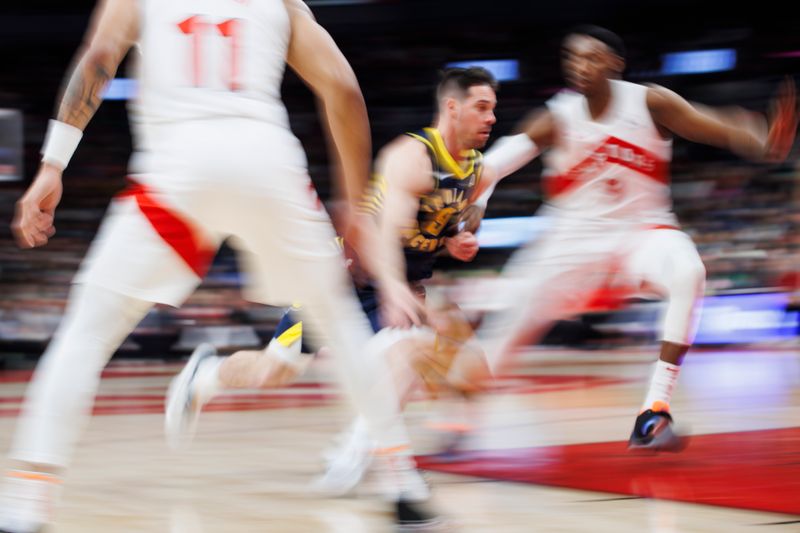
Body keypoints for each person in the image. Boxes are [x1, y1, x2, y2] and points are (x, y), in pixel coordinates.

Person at [0, 1, 436, 531]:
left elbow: (98, 61)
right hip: (268, 167)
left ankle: (28, 504)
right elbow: (343, 90)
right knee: (340, 324)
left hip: (178, 170)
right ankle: (402, 482)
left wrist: (52, 166)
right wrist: (351, 204)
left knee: (87, 331)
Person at [447, 25, 798, 451]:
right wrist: (479, 203)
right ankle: (457, 419)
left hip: (640, 232)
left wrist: (762, 139)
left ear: (615, 64)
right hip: (570, 238)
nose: (579, 66)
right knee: (505, 332)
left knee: (688, 271)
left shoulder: (649, 102)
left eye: (591, 57)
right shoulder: (558, 115)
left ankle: (654, 410)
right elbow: (495, 163)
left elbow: (718, 126)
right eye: (572, 58)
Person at [166, 67, 501, 495]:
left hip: (396, 282)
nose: (491, 117)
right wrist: (395, 287)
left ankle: (355, 452)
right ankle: (206, 375)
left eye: (493, 108)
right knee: (276, 370)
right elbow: (383, 230)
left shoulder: (475, 168)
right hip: (343, 279)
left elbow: (456, 215)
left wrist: (459, 239)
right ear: (452, 108)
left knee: (415, 350)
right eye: (482, 107)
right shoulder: (413, 157)